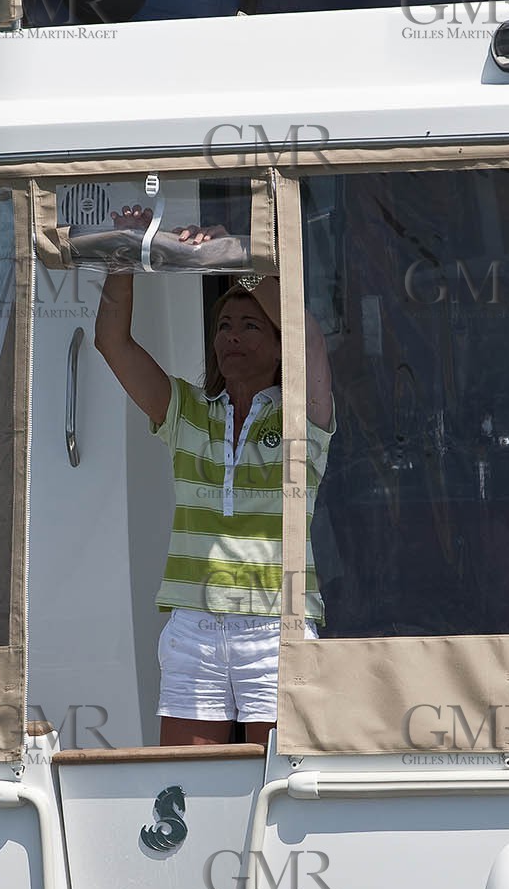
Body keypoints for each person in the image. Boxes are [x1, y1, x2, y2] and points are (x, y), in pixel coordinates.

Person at [94, 206, 334, 747]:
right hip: (194, 627)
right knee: (188, 782)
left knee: (280, 781)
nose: (232, 336)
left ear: (279, 346)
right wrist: (123, 253)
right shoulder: (187, 412)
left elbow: (311, 342)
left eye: (250, 326)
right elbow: (112, 343)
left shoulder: (301, 419)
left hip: (277, 626)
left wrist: (236, 264)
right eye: (224, 326)